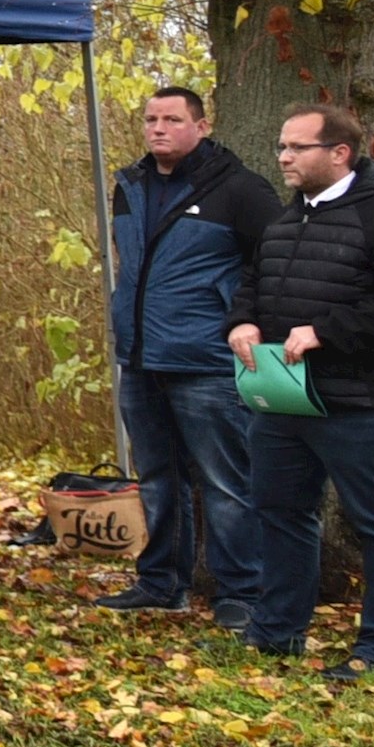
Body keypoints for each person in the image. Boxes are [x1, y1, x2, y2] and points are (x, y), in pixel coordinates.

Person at [227, 103, 374, 681]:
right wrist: (241, 321)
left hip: (361, 403)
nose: (284, 157)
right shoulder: (285, 218)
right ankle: (276, 633)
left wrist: (327, 332)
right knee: (280, 512)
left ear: (339, 153)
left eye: (298, 148)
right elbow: (255, 282)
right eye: (282, 147)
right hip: (283, 398)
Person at [96, 85, 281, 629]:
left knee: (226, 483)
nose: (158, 128)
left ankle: (242, 593)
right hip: (141, 357)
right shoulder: (128, 185)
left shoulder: (240, 190)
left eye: (172, 119)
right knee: (157, 477)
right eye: (151, 118)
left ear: (201, 126)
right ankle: (161, 583)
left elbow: (273, 263)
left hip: (206, 360)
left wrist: (241, 320)